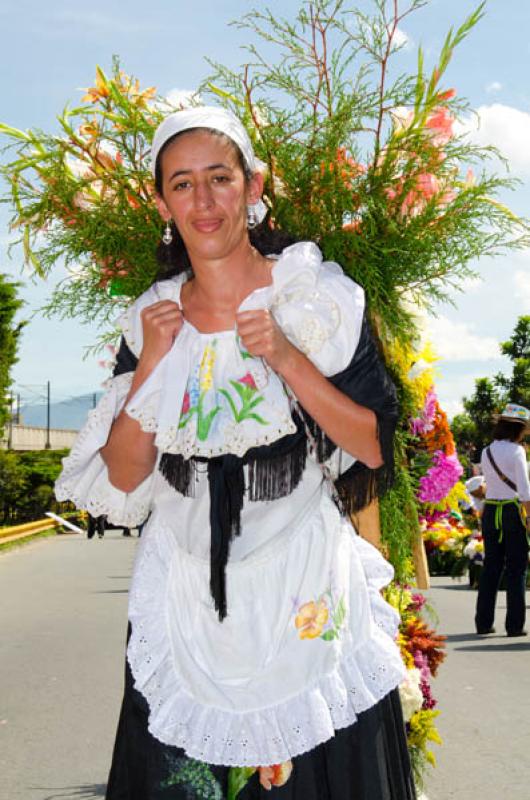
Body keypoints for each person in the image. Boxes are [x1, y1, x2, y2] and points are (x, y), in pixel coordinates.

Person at [56, 107, 415, 799]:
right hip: (185, 593)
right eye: (183, 184)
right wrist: (153, 365)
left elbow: (372, 445)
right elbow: (126, 472)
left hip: (304, 584)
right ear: (162, 203)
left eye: (219, 178)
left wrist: (285, 355)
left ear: (253, 187)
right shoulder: (153, 317)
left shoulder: (311, 295)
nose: (204, 201)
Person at [475, 403, 530, 637]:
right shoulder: (517, 451)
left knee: (491, 568)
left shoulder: (486, 451)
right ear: (517, 428)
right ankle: (514, 625)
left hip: (491, 512)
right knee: (516, 569)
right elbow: (525, 492)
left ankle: (483, 623)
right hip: (511, 511)